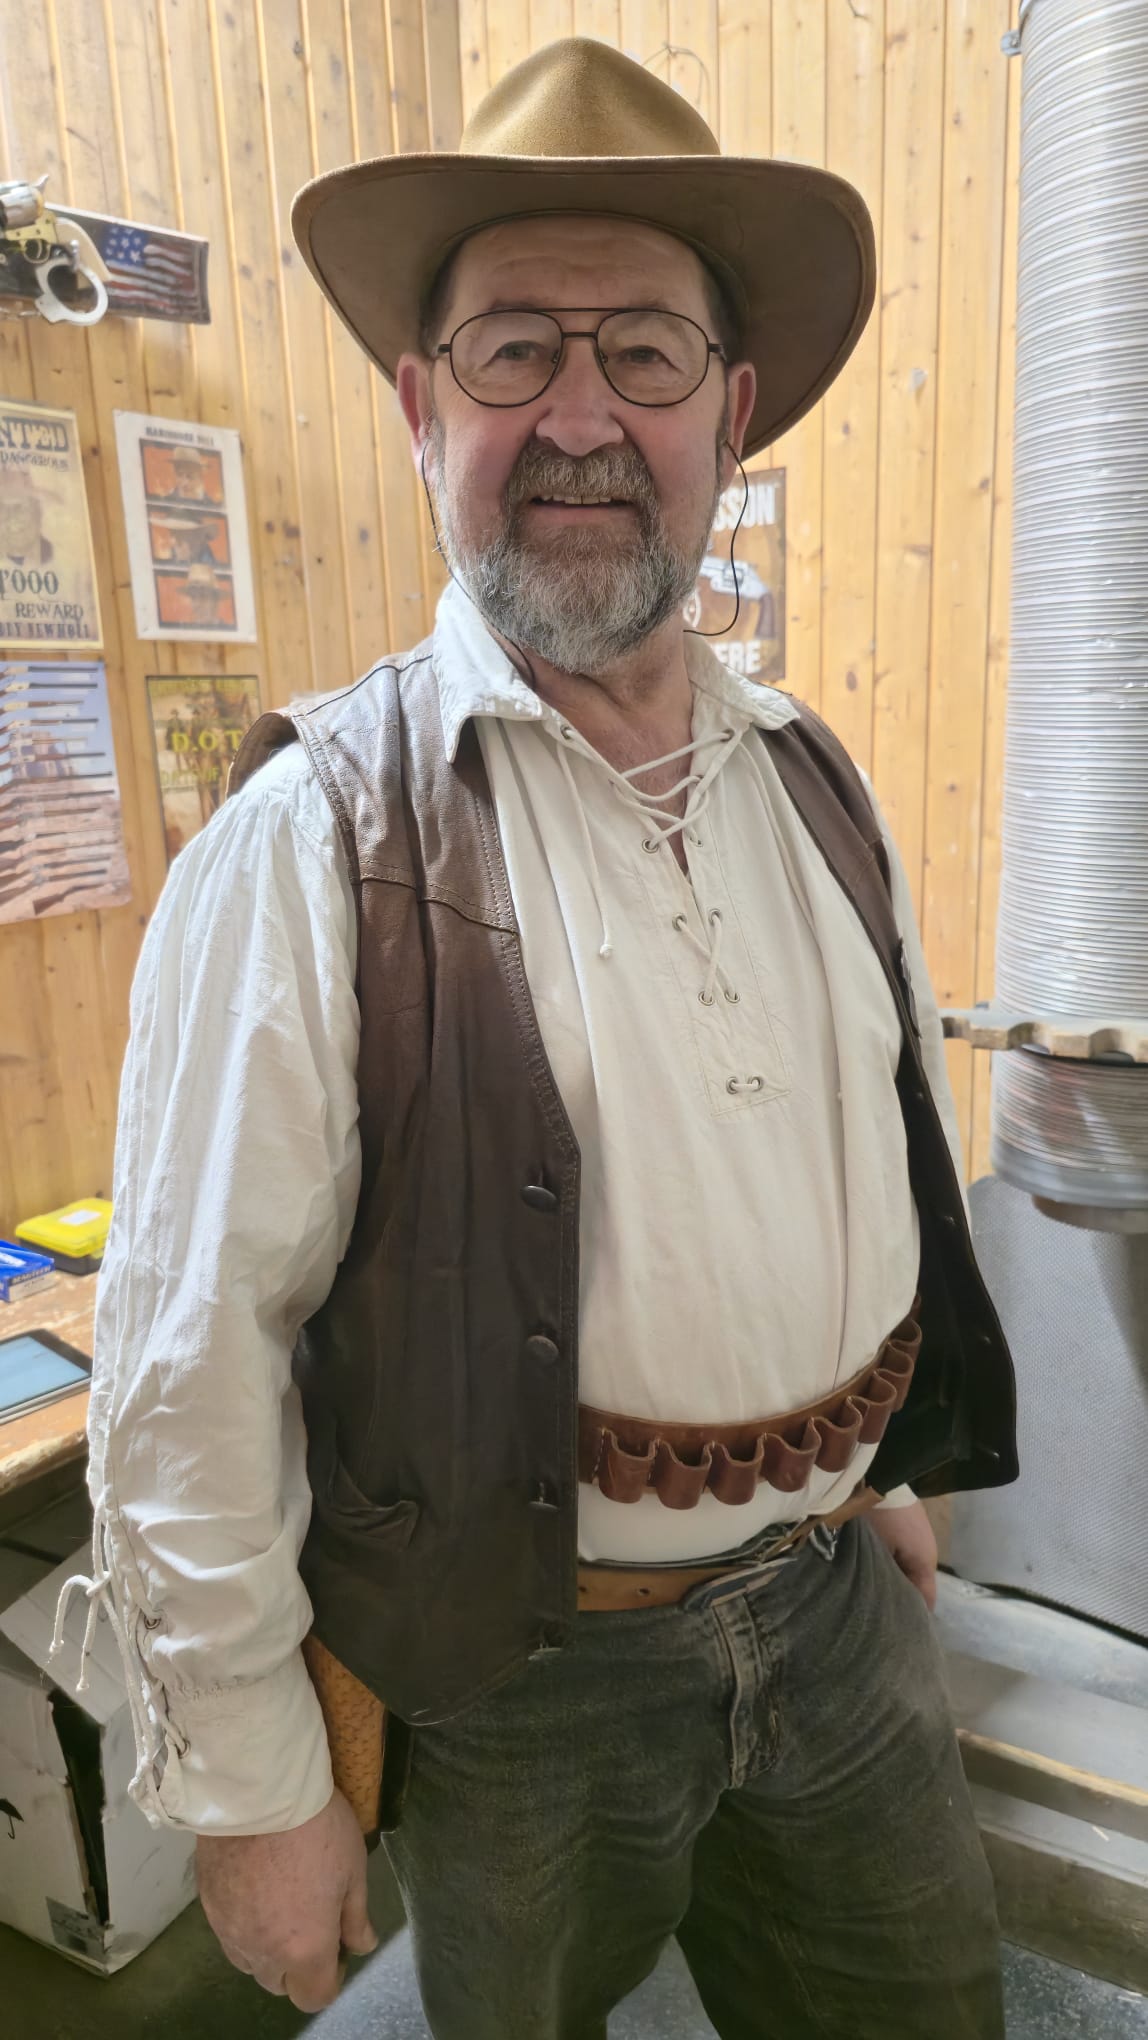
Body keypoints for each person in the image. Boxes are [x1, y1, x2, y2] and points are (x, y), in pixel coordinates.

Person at [57, 38, 1017, 2040]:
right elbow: (187, 1362)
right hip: (517, 1687)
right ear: (424, 411)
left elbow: (874, 1135)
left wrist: (879, 1466)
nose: (582, 415)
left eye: (645, 353)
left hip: (840, 1613)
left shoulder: (812, 775)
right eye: (514, 351)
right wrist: (252, 1790)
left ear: (730, 414)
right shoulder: (307, 839)